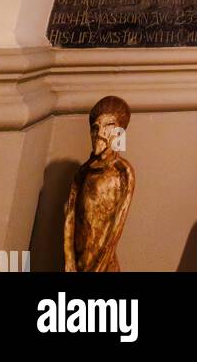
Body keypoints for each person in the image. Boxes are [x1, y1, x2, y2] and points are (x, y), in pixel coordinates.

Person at [63, 98, 135, 273]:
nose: (101, 133)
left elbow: (115, 229)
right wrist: (69, 260)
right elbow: (69, 216)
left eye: (109, 126)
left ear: (119, 132)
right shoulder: (82, 173)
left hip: (103, 264)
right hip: (78, 262)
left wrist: (99, 266)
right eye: (95, 127)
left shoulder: (123, 172)